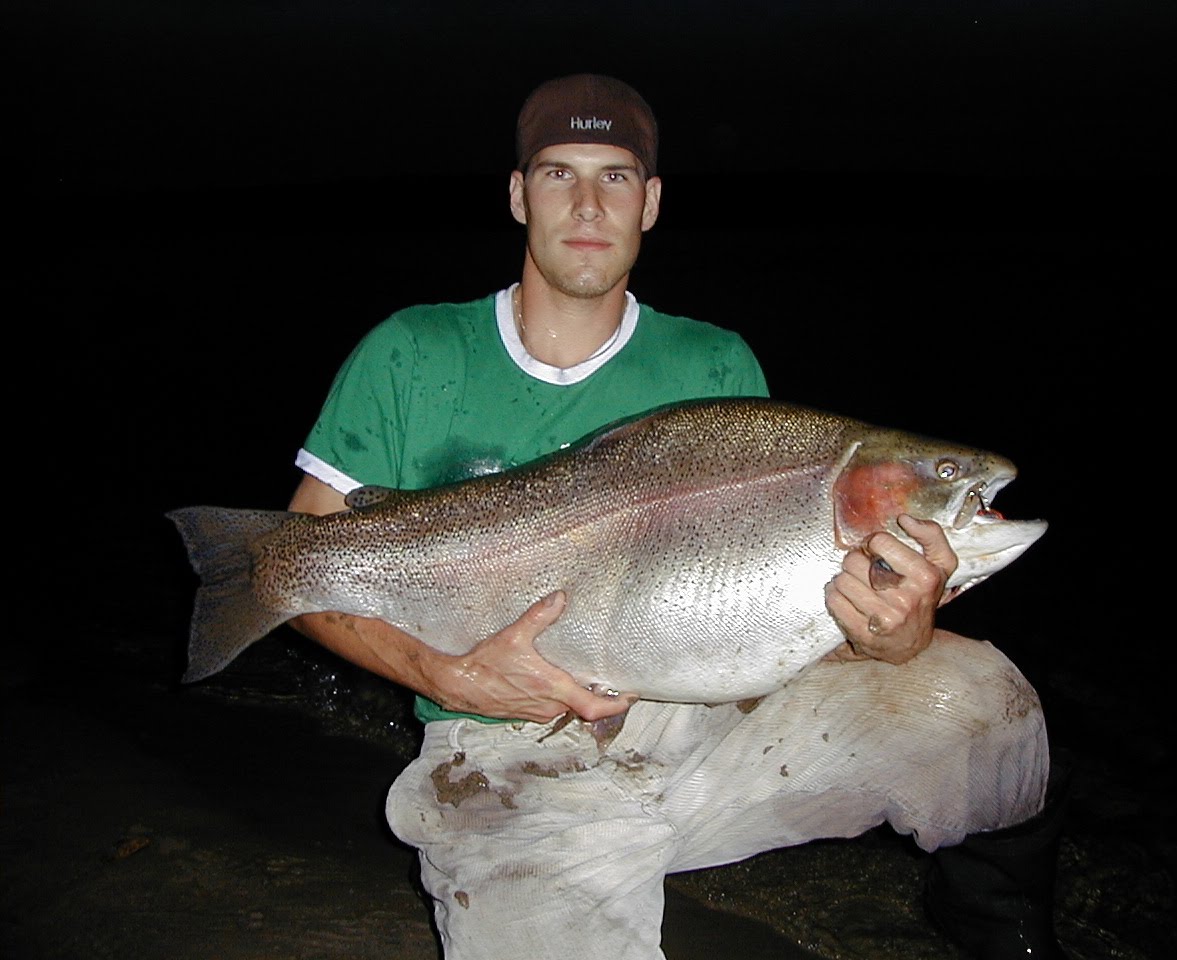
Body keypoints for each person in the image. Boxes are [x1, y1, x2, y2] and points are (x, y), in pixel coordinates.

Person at [286, 74, 1068, 960]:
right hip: (499, 754)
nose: (587, 203)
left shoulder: (717, 365)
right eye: (557, 174)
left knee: (979, 698)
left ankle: (1002, 936)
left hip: (699, 727)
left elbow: (771, 635)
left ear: (651, 201)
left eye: (616, 177)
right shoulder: (411, 351)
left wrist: (884, 636)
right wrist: (445, 674)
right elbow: (298, 567)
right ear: (517, 193)